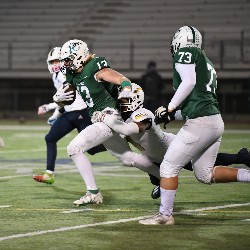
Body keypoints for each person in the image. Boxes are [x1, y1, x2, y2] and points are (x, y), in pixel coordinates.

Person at [138, 26, 250, 225]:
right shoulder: (205, 60)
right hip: (214, 121)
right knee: (204, 174)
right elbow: (198, 101)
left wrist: (170, 108)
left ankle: (165, 216)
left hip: (201, 123)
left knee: (169, 166)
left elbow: (188, 82)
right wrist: (175, 115)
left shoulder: (186, 52)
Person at [54, 39, 161, 206]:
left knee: (74, 148)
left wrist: (126, 90)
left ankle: (93, 192)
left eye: (68, 59)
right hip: (98, 119)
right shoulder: (73, 74)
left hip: (109, 116)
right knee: (126, 157)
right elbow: (71, 96)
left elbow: (122, 80)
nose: (66, 64)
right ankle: (164, 177)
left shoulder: (95, 68)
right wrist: (59, 100)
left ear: (79, 56)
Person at [99, 83, 250, 199]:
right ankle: (162, 184)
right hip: (154, 155)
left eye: (125, 99)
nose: (121, 103)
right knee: (154, 175)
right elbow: (120, 139)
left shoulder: (142, 113)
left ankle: (241, 157)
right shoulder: (122, 118)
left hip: (171, 148)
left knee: (200, 166)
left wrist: (105, 118)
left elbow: (129, 130)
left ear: (135, 100)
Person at [33, 47, 106, 185]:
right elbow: (63, 101)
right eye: (52, 61)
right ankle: (49, 174)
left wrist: (48, 107)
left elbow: (67, 96)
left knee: (92, 149)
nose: (54, 64)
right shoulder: (57, 76)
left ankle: (115, 143)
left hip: (81, 113)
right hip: (70, 113)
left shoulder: (64, 74)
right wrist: (56, 114)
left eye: (57, 61)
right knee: (50, 138)